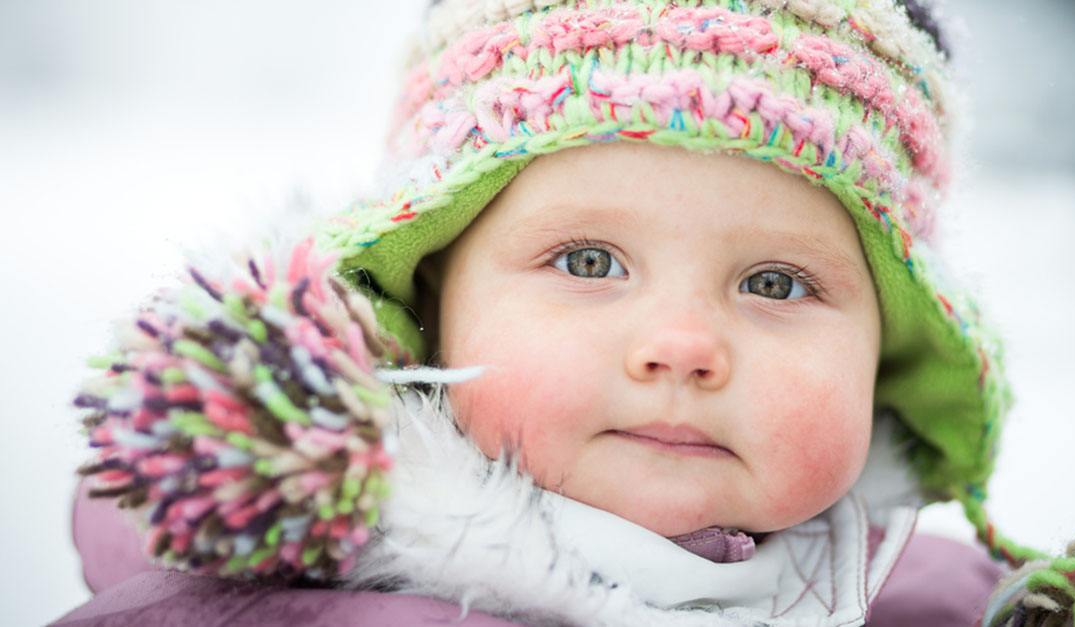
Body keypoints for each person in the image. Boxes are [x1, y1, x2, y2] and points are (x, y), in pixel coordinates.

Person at [57, 0, 1017, 624]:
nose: (682, 347)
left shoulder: (937, 599)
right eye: (590, 260)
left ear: (887, 342)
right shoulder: (268, 600)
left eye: (774, 283)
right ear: (431, 297)